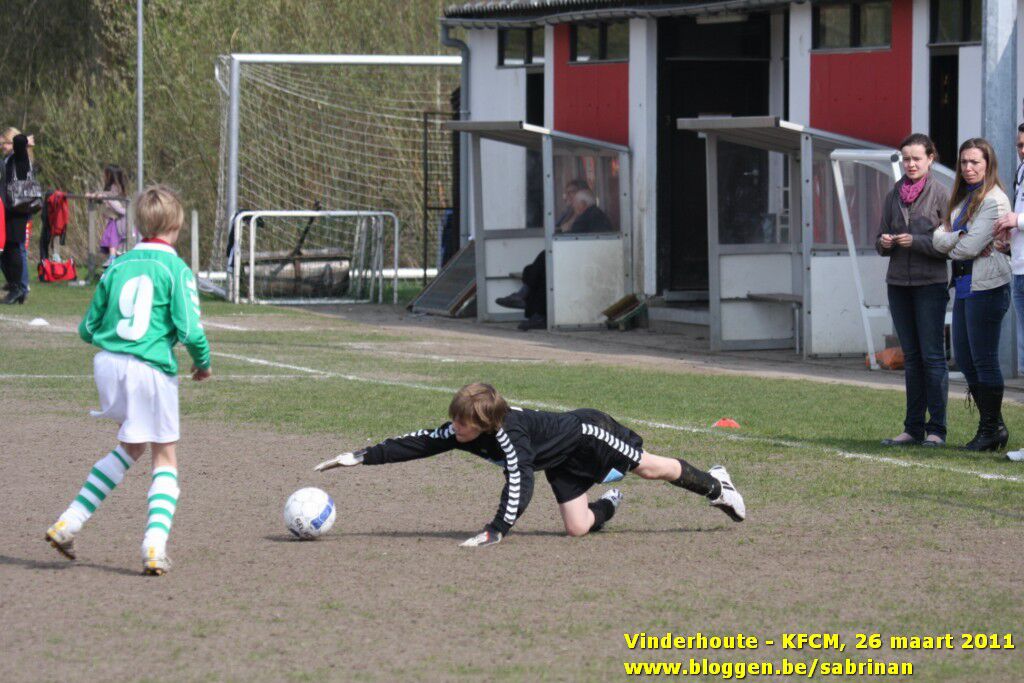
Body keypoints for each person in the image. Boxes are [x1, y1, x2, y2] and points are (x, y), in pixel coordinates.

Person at [314, 382, 745, 547]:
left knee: (651, 468)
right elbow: (419, 443)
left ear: (484, 425)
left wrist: (497, 529)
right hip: (560, 460)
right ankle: (610, 503)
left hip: (588, 434)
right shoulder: (462, 431)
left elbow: (519, 481)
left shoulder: (509, 438)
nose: (454, 428)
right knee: (577, 528)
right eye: (455, 420)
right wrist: (361, 456)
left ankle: (717, 486)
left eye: (462, 423)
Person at [44, 185, 212, 575]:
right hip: (148, 368)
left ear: (139, 225)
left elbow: (87, 329)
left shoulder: (116, 266)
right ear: (177, 226)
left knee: (131, 446)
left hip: (108, 365)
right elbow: (190, 330)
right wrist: (203, 363)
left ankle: (69, 522)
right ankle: (154, 545)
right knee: (164, 456)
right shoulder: (176, 269)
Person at [932, 138, 1012, 452]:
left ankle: (989, 429)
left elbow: (965, 247)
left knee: (984, 360)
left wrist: (954, 240)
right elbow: (938, 239)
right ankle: (995, 427)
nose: (968, 168)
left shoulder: (995, 200)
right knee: (965, 360)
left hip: (988, 287)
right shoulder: (962, 199)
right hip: (965, 286)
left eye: (975, 162)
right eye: (964, 162)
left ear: (988, 164)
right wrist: (958, 237)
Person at [875, 133, 951, 447]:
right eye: (906, 158)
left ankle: (937, 430)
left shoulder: (942, 194)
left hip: (930, 284)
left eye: (917, 158)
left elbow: (951, 244)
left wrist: (915, 242)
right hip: (898, 285)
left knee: (933, 357)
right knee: (912, 358)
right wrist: (884, 242)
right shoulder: (893, 194)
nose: (910, 164)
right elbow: (879, 238)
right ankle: (912, 428)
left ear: (930, 159)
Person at [993, 124, 1024, 462]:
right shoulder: (1020, 172)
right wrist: (1010, 244)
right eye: (1019, 145)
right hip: (1019, 271)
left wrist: (1017, 220)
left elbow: (1020, 218)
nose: (1022, 150)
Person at [1, 129, 35, 305]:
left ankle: (19, 287)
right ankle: (15, 285)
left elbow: (21, 144)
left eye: (5, 142)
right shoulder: (9, 159)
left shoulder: (20, 158)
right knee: (7, 250)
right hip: (8, 209)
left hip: (17, 209)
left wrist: (23, 141)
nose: (2, 145)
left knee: (15, 248)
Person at [88, 165, 129, 267]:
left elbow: (111, 197)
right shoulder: (112, 188)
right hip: (114, 218)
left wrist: (101, 195)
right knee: (111, 237)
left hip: (119, 219)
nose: (104, 176)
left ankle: (113, 257)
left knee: (113, 238)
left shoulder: (116, 188)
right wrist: (96, 196)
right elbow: (105, 196)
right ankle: (112, 257)